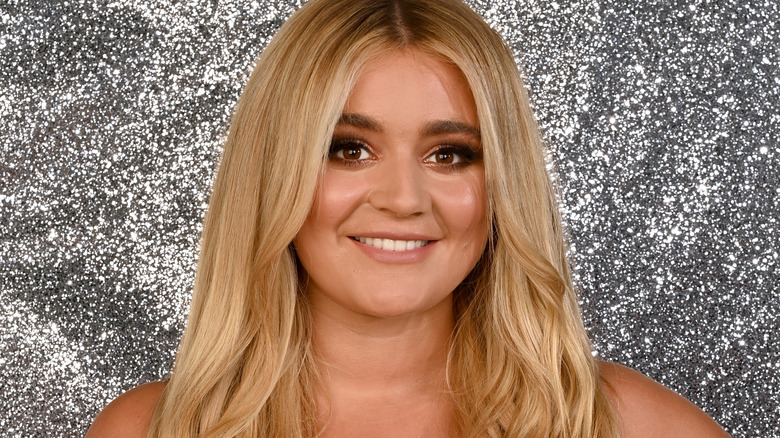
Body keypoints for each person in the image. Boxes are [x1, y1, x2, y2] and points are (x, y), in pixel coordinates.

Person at [87, 0, 730, 436]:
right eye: (349, 149)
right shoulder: (150, 429)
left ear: (501, 186)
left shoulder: (624, 424)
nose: (403, 199)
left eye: (449, 154)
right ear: (274, 172)